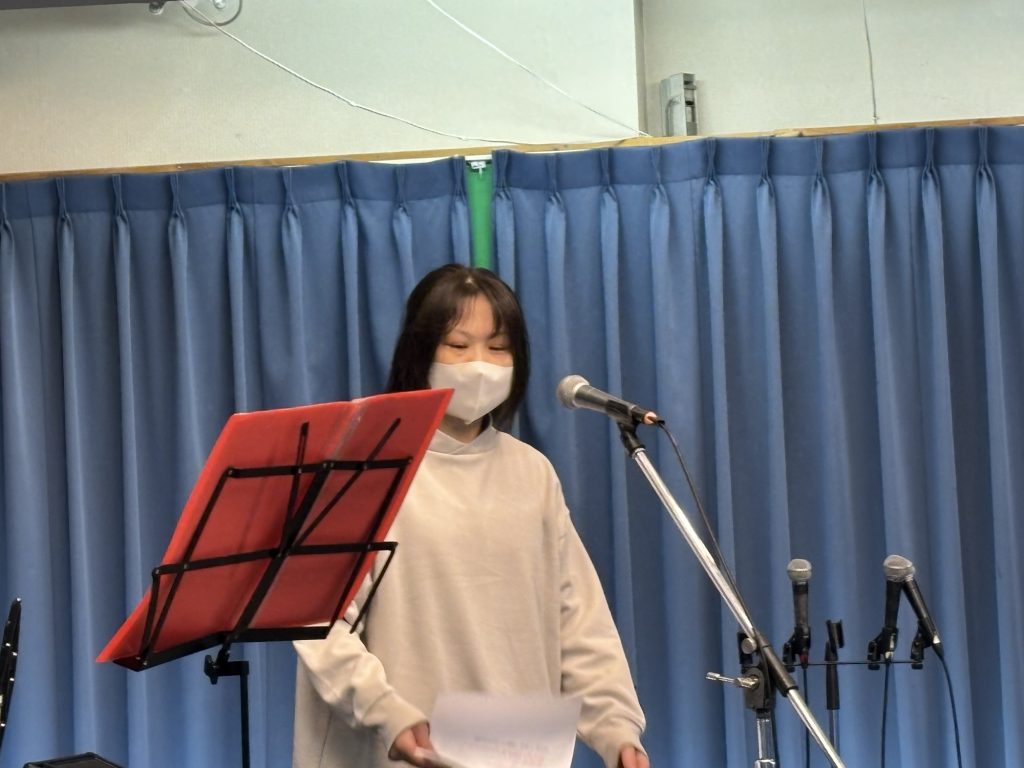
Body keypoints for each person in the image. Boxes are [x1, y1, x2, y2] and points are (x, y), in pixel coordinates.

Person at [293, 265, 648, 768]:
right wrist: (387, 712)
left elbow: (579, 621)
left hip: (520, 752)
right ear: (419, 353)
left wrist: (617, 729)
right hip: (402, 750)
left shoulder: (532, 473)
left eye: (498, 347)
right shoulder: (365, 467)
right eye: (458, 346)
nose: (480, 364)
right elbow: (318, 622)